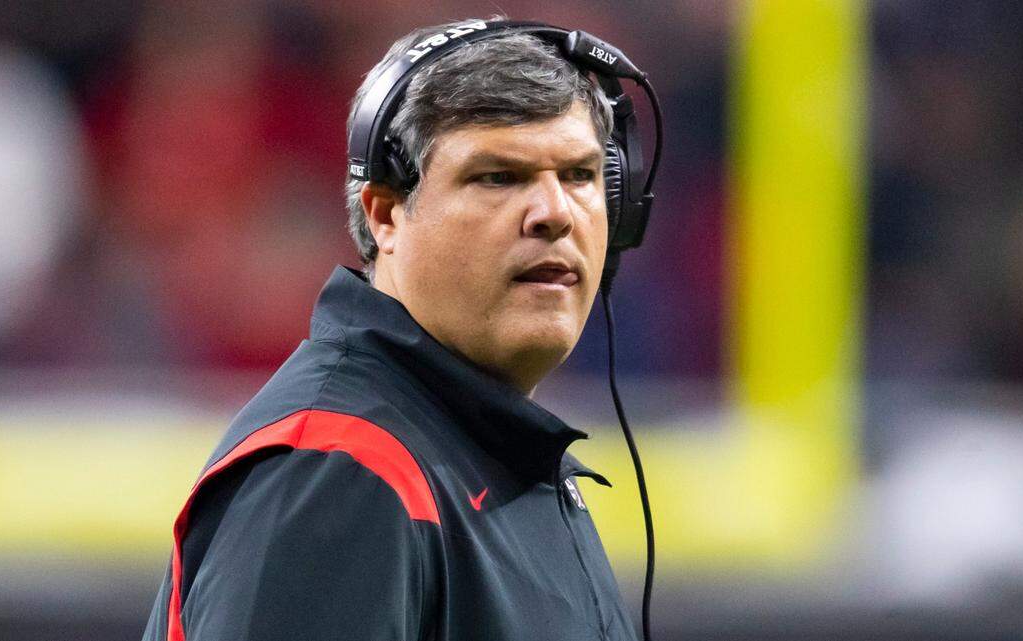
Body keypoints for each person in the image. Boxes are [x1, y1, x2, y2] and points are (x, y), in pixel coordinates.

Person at [142, 18, 646, 641]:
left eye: (580, 176)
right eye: (497, 177)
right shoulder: (340, 473)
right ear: (385, 214)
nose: (554, 215)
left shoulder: (489, 457)